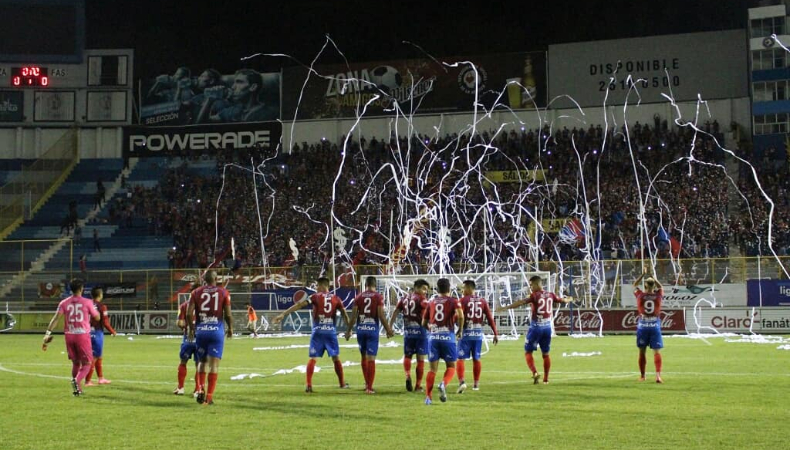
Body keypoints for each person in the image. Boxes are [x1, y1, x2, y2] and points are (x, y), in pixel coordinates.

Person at [273, 277, 350, 393]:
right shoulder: (336, 298)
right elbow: (344, 313)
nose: (316, 288)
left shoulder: (315, 297)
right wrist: (349, 329)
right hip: (330, 332)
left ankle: (309, 385)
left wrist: (284, 314)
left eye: (317, 286)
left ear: (322, 286)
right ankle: (342, 383)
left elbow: (299, 305)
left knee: (313, 358)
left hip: (318, 331)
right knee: (335, 358)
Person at [499, 275, 571, 385]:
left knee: (528, 352)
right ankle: (546, 379)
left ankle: (535, 373)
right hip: (547, 327)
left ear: (538, 284)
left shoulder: (535, 296)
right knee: (545, 354)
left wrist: (506, 307)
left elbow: (520, 302)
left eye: (532, 285)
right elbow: (563, 300)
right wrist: (569, 299)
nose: (530, 287)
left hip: (536, 327)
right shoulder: (550, 295)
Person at [41, 278, 100, 396]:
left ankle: (77, 389)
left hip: (69, 336)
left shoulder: (64, 303)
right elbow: (97, 317)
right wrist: (95, 312)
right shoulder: (87, 302)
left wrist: (47, 334)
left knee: (76, 363)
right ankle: (76, 381)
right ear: (81, 289)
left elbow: (56, 318)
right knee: (87, 363)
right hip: (82, 335)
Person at [186, 271, 232, 405]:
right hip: (216, 331)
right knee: (214, 365)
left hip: (201, 332)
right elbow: (228, 315)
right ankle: (209, 397)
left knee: (202, 362)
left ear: (204, 280)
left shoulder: (195, 292)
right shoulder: (223, 292)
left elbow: (189, 314)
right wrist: (231, 329)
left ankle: (200, 389)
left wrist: (191, 329)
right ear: (216, 279)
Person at [345, 277, 393, 394]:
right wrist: (388, 330)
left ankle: (367, 383)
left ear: (365, 284)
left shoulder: (358, 297)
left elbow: (353, 316)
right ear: (374, 285)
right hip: (372, 330)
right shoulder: (378, 297)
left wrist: (348, 331)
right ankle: (369, 388)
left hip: (361, 330)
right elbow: (381, 315)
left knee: (363, 357)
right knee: (371, 358)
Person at [421, 278, 464, 405]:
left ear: (437, 289)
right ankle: (443, 383)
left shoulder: (431, 302)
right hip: (448, 338)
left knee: (432, 370)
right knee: (451, 366)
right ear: (449, 289)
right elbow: (461, 316)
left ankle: (428, 397)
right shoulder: (453, 301)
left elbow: (424, 322)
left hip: (433, 338)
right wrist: (460, 330)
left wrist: (431, 329)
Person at [456, 280, 498, 393]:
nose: (462, 291)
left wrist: (458, 328)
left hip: (466, 334)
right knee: (476, 358)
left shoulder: (463, 300)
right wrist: (495, 333)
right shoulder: (483, 301)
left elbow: (458, 317)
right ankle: (476, 384)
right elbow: (489, 318)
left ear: (469, 288)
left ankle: (462, 382)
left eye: (463, 288)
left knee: (460, 358)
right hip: (478, 334)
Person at [388, 279, 430, 392]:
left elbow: (396, 311)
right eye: (424, 289)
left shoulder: (404, 298)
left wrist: (390, 326)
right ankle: (418, 385)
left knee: (408, 356)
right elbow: (427, 311)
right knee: (420, 358)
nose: (425, 292)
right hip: (420, 332)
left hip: (408, 332)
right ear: (416, 287)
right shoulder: (421, 299)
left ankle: (407, 375)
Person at [632, 270, 664, 383]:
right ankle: (658, 376)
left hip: (643, 326)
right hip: (655, 325)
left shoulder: (640, 295)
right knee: (656, 352)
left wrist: (642, 274)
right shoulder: (658, 295)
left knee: (642, 351)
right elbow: (661, 287)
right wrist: (653, 277)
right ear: (654, 285)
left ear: (645, 285)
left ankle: (642, 376)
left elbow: (634, 285)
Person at [84, 287, 116, 386]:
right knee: (94, 357)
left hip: (86, 332)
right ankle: (88, 380)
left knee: (99, 356)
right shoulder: (102, 307)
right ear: (100, 295)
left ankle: (100, 378)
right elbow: (105, 322)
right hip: (97, 333)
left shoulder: (86, 305)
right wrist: (112, 331)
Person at [174, 285, 200, 396]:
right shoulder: (205, 306)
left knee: (183, 362)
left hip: (188, 339)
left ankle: (180, 388)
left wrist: (185, 328)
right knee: (199, 364)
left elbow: (180, 323)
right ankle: (198, 389)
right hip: (201, 339)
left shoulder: (184, 305)